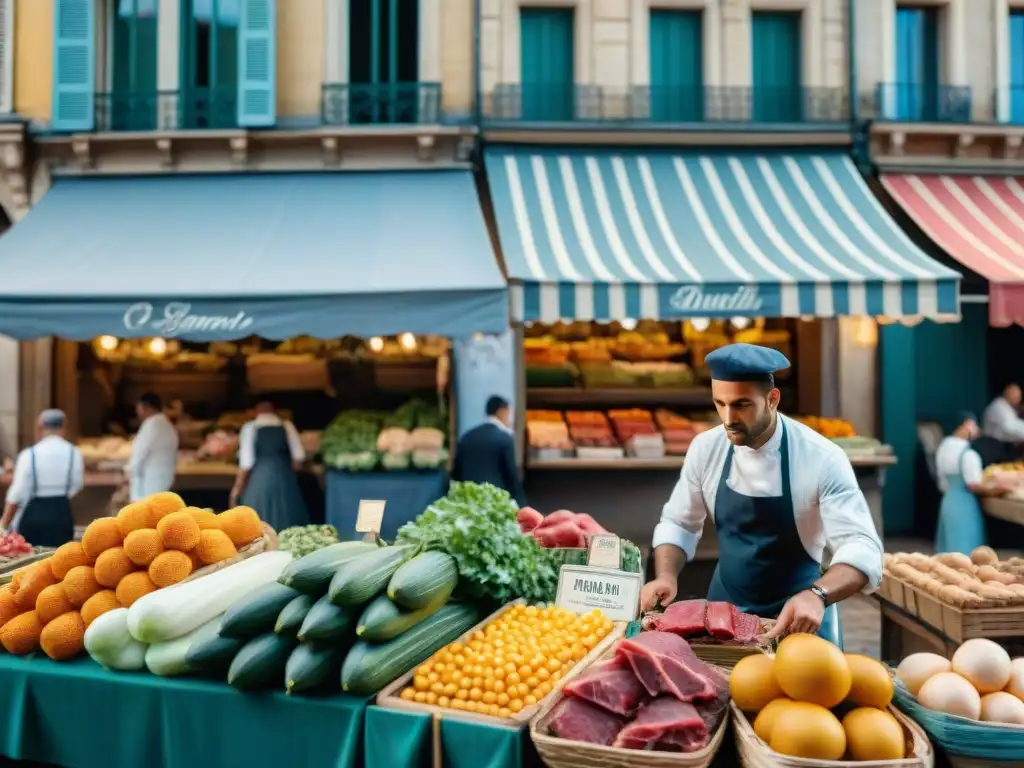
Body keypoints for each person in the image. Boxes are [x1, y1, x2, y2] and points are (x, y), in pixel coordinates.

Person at [640, 343, 884, 646]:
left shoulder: (822, 458)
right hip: (723, 615)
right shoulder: (706, 448)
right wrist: (665, 576)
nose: (727, 418)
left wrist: (818, 595)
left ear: (772, 399)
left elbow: (863, 548)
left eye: (741, 404)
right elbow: (679, 523)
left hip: (800, 617)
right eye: (720, 403)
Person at [0, 410, 84, 546]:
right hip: (62, 516)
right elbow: (77, 484)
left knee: (31, 563)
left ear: (40, 428)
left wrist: (4, 524)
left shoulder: (29, 454)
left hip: (33, 519)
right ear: (63, 427)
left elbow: (16, 494)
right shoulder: (74, 453)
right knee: (61, 561)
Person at [934, 412, 1009, 554]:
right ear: (966, 426)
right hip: (965, 505)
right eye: (974, 425)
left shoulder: (943, 448)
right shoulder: (968, 454)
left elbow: (942, 482)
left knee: (948, 551)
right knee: (966, 550)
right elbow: (973, 484)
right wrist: (998, 487)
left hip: (948, 501)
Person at [229, 400, 310, 531]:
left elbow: (246, 463)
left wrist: (236, 488)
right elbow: (299, 457)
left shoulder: (250, 427)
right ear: (274, 411)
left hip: (259, 479)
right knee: (288, 517)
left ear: (256, 411)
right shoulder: (286, 425)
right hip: (285, 478)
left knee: (258, 520)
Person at [452, 395, 526, 506]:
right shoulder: (504, 438)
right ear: (501, 411)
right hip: (494, 502)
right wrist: (522, 504)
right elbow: (511, 476)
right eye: (509, 413)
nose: (510, 419)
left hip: (468, 501)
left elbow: (456, 473)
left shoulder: (466, 437)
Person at [128, 393, 179, 502]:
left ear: (145, 407)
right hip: (165, 481)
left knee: (146, 515)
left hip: (150, 483)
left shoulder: (152, 425)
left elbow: (139, 454)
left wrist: (130, 471)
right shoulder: (167, 424)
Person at [982, 384, 1024, 459]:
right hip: (995, 446)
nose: (1018, 398)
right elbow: (1010, 428)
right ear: (1007, 393)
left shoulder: (1008, 407)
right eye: (1015, 395)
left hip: (1004, 446)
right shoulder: (998, 406)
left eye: (1019, 396)